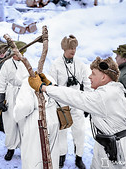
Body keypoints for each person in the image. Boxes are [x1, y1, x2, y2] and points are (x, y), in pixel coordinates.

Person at [29, 56, 126, 168]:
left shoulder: (107, 95)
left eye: (93, 74)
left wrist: (44, 88)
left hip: (120, 152)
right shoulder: (109, 91)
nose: (89, 77)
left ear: (104, 77)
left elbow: (77, 97)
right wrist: (52, 86)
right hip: (107, 145)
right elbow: (77, 95)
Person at [49, 35, 90, 169]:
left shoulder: (81, 64)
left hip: (77, 103)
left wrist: (87, 105)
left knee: (80, 131)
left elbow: (87, 83)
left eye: (75, 48)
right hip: (62, 104)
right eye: (71, 48)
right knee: (62, 132)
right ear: (64, 48)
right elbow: (52, 86)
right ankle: (62, 155)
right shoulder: (55, 65)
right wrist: (56, 104)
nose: (73, 51)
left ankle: (79, 157)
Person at [14, 73, 60, 169]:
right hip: (52, 117)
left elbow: (25, 107)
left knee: (34, 154)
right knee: (52, 152)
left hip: (37, 119)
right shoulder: (49, 78)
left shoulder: (28, 82)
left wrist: (16, 116)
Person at [0, 41, 28, 161]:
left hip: (23, 94)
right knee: (10, 123)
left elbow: (31, 80)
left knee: (24, 122)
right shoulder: (7, 64)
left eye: (18, 52)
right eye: (13, 52)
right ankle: (11, 148)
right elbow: (1, 81)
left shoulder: (26, 64)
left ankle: (25, 148)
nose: (15, 55)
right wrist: (0, 99)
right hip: (10, 94)